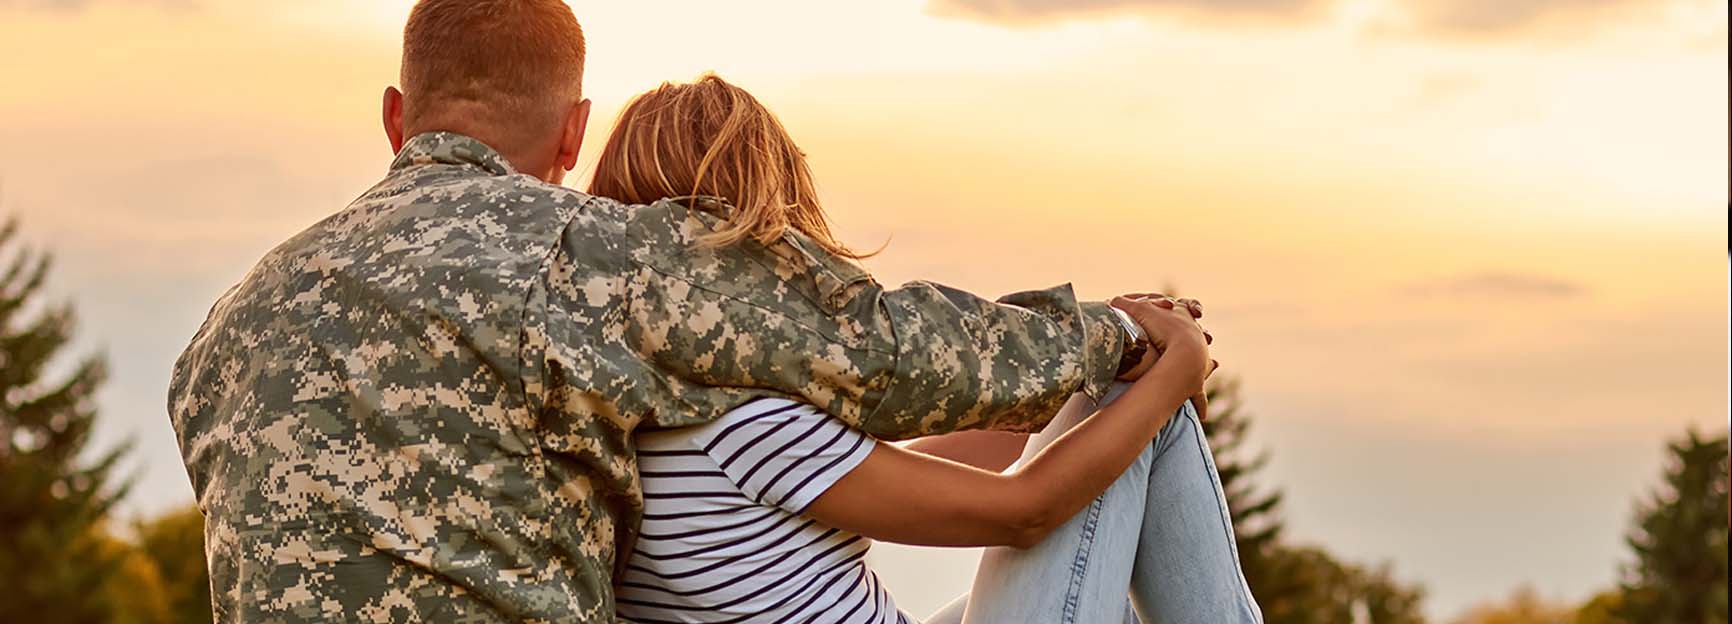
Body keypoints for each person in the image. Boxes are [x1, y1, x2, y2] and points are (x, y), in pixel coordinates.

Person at [165, 1, 1197, 621]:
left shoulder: (221, 333)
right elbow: (877, 351)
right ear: (573, 134)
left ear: (395, 118)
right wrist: (1119, 337)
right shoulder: (581, 260)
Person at [597, 76, 1261, 624]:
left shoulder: (633, 405)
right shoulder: (739, 417)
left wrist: (1065, 392)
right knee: (1139, 401)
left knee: (1112, 560)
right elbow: (1026, 512)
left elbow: (885, 474)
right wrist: (1175, 371)